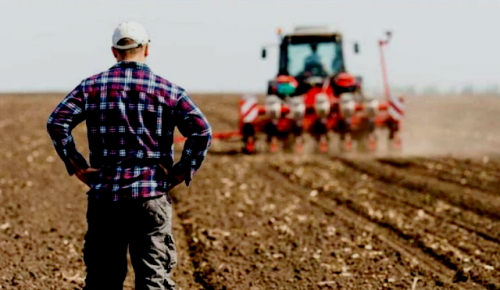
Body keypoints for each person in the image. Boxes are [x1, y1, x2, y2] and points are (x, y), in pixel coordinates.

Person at [47, 21, 212, 290]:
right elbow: (202, 131)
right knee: (154, 281)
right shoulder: (168, 90)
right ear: (146, 49)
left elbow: (57, 121)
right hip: (150, 197)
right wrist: (182, 170)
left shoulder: (91, 87)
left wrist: (77, 165)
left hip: (105, 198)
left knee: (103, 280)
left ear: (114, 51)